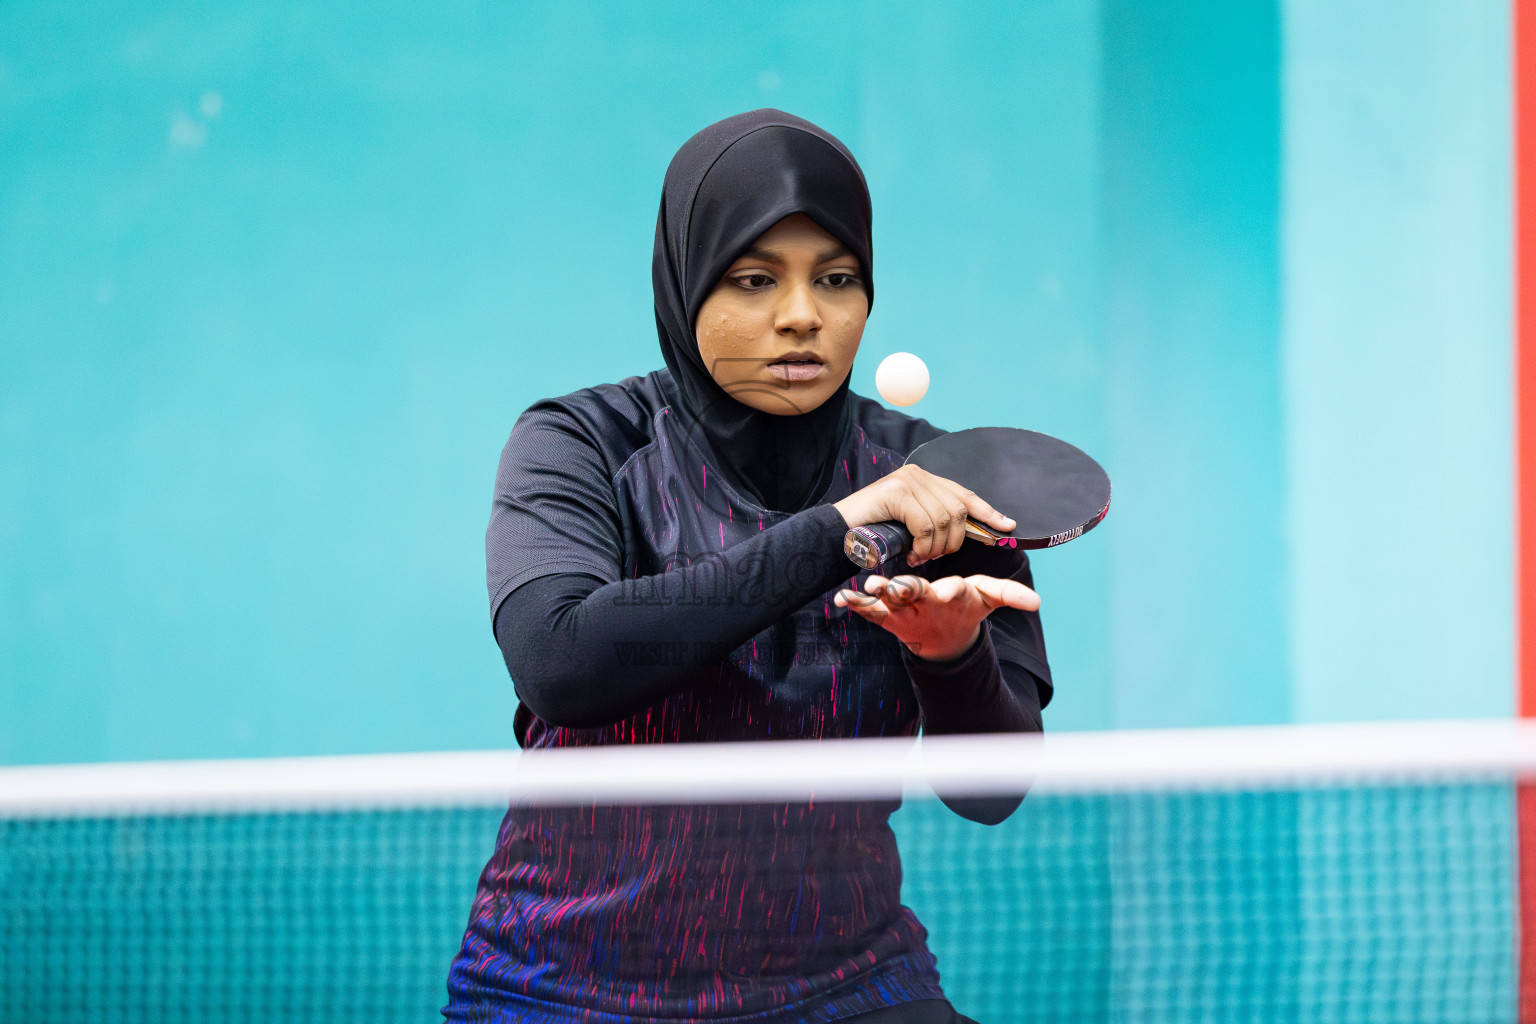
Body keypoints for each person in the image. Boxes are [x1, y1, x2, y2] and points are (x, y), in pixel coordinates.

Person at [444, 109, 1052, 1024]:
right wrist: (837, 530)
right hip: (566, 986)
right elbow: (561, 663)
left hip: (844, 984)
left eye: (837, 279)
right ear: (686, 285)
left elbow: (990, 793)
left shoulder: (941, 481)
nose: (803, 315)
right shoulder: (577, 445)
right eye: (755, 278)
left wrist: (950, 655)